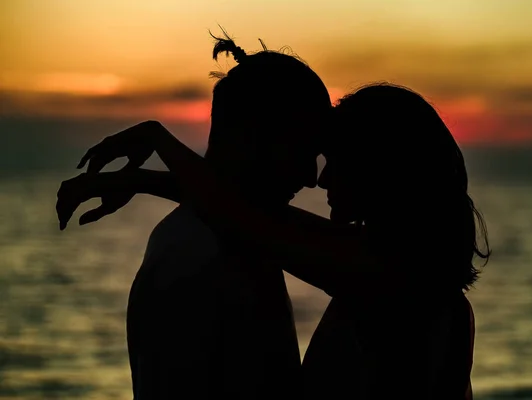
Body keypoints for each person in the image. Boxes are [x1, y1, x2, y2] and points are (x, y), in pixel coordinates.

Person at [57, 83, 489, 399]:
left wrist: (156, 140)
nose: (320, 178)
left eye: (335, 161)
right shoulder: (403, 266)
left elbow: (246, 218)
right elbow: (264, 215)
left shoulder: (386, 277)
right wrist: (141, 178)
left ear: (379, 169)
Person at [58, 32, 332, 399]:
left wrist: (144, 168)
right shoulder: (195, 259)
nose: (311, 178)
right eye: (300, 151)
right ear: (249, 137)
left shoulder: (242, 237)